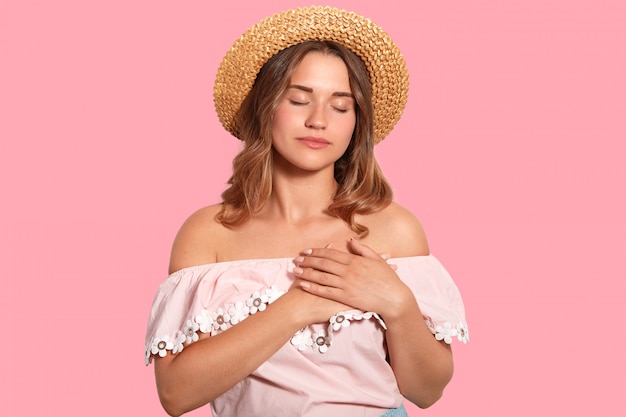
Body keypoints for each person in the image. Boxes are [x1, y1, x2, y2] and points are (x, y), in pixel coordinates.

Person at [144, 6, 469, 417]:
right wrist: (299, 305)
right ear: (265, 108)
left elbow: (427, 391)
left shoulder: (393, 229)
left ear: (357, 123)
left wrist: (399, 304)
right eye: (299, 100)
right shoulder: (210, 233)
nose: (318, 120)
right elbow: (175, 394)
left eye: (340, 106)